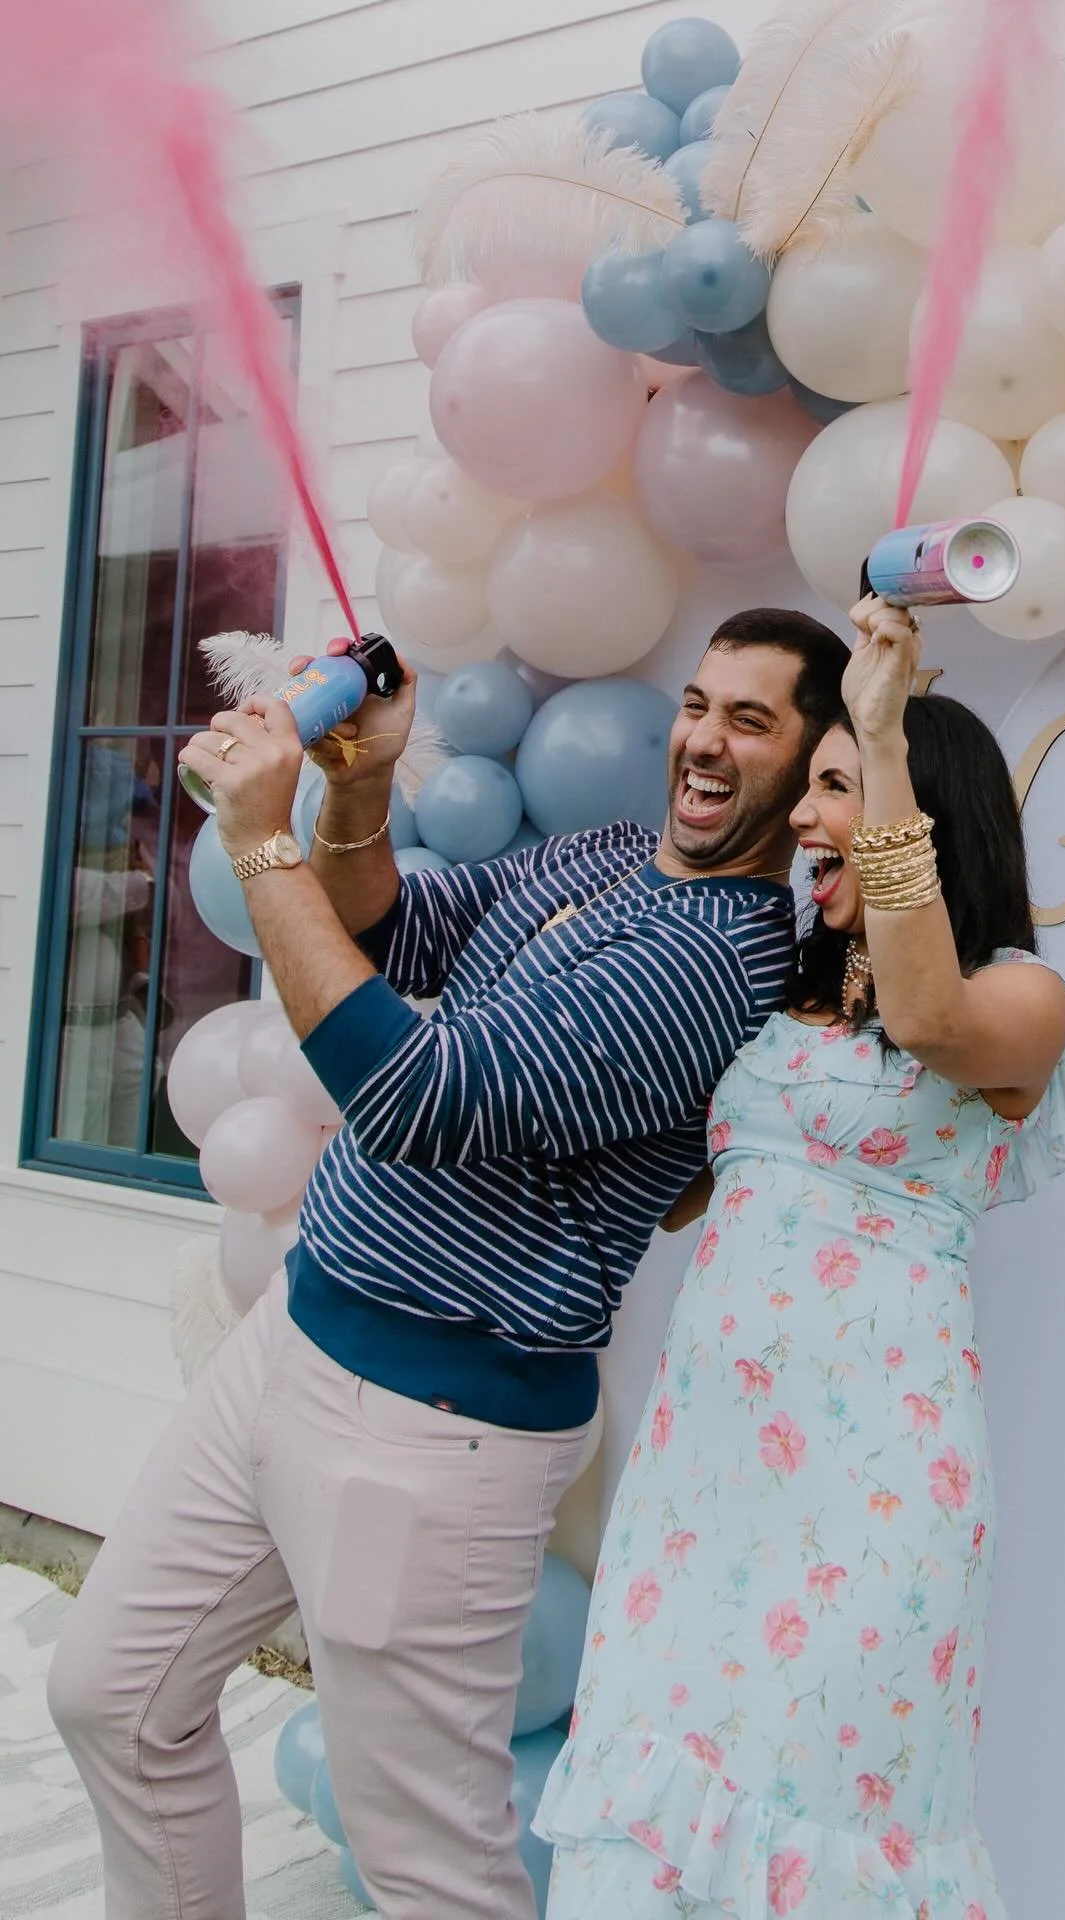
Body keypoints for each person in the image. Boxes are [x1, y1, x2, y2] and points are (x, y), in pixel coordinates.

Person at [46, 607, 851, 1920]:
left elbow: (422, 1098)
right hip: (296, 1338)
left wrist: (257, 842)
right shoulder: (609, 852)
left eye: (750, 722)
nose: (702, 738)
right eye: (701, 704)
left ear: (811, 757)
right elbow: (387, 936)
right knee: (113, 1700)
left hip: (429, 1437)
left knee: (429, 1873)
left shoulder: (720, 961)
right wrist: (355, 790)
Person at [537, 596, 1065, 1920]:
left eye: (834, 786)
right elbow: (670, 1193)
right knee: (638, 1846)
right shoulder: (772, 1002)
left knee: (820, 1843)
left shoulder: (1023, 1000)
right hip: (699, 1486)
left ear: (922, 807)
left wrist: (884, 738)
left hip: (871, 1509)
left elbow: (924, 1009)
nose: (801, 816)